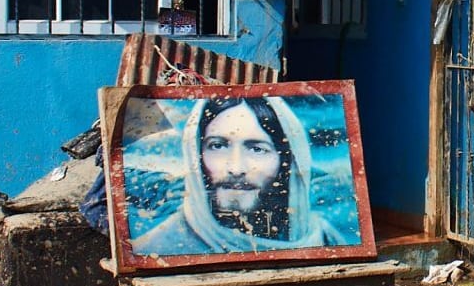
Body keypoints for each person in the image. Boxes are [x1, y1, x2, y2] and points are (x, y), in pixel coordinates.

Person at [133, 95, 347, 257]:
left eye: (257, 149)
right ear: (196, 154)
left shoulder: (325, 239)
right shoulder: (155, 250)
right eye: (217, 146)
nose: (236, 168)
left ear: (285, 161)